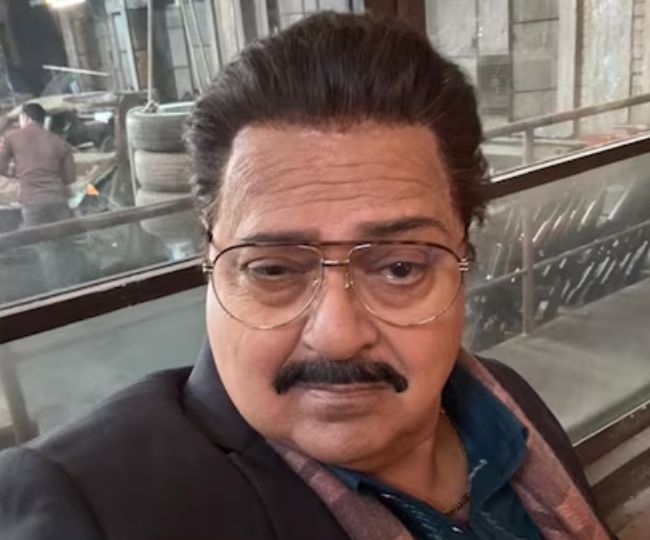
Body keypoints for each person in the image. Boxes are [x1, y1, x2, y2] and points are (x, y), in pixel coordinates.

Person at [0, 13, 613, 540]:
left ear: (463, 259)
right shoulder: (92, 508)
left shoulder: (508, 401)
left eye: (399, 267)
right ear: (209, 263)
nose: (338, 335)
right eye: (272, 269)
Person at [0, 103, 76, 226]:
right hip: (58, 199)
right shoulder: (60, 142)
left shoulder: (12, 139)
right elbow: (70, 178)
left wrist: (18, 173)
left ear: (25, 117)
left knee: (35, 236)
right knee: (64, 236)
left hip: (31, 200)